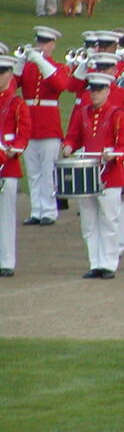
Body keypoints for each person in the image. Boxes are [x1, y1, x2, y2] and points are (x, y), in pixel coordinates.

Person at [62, 72, 124, 279]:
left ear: (107, 91)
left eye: (99, 90)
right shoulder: (82, 113)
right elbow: (73, 136)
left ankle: (109, 263)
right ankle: (95, 261)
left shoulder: (117, 114)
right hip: (87, 172)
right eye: (92, 90)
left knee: (109, 219)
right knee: (89, 220)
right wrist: (68, 146)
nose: (94, 94)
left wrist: (112, 154)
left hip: (110, 173)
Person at [16, 26, 68, 226]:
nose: (42, 46)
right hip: (29, 124)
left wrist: (41, 61)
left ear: (53, 45)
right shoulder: (28, 68)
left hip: (48, 125)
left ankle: (49, 210)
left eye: (46, 43)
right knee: (33, 171)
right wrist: (21, 62)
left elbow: (60, 85)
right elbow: (12, 84)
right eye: (40, 42)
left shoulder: (58, 67)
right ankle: (36, 210)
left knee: (48, 171)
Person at [0, 55, 30, 277]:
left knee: (6, 215)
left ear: (10, 75)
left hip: (6, 166)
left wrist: (15, 149)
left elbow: (23, 132)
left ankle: (6, 260)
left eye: (3, 72)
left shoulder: (16, 103)